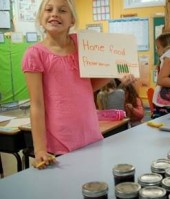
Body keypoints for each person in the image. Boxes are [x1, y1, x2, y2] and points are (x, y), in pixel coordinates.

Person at [22, 0, 135, 169]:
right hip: (61, 140)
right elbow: (37, 105)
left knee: (94, 185)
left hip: (90, 133)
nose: (54, 14)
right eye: (48, 9)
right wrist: (39, 150)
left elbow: (86, 88)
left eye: (62, 10)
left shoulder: (83, 44)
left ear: (72, 20)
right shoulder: (35, 54)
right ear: (40, 18)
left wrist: (117, 74)